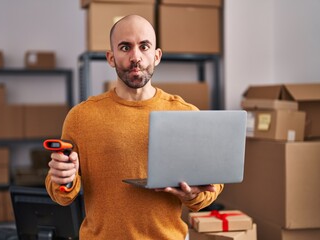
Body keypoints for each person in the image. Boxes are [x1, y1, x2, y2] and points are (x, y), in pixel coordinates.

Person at [45, 15, 224, 240]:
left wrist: (191, 195)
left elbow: (210, 189)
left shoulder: (186, 114)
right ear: (111, 57)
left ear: (156, 56)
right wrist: (63, 178)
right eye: (125, 47)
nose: (135, 57)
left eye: (144, 46)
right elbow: (61, 195)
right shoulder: (81, 117)